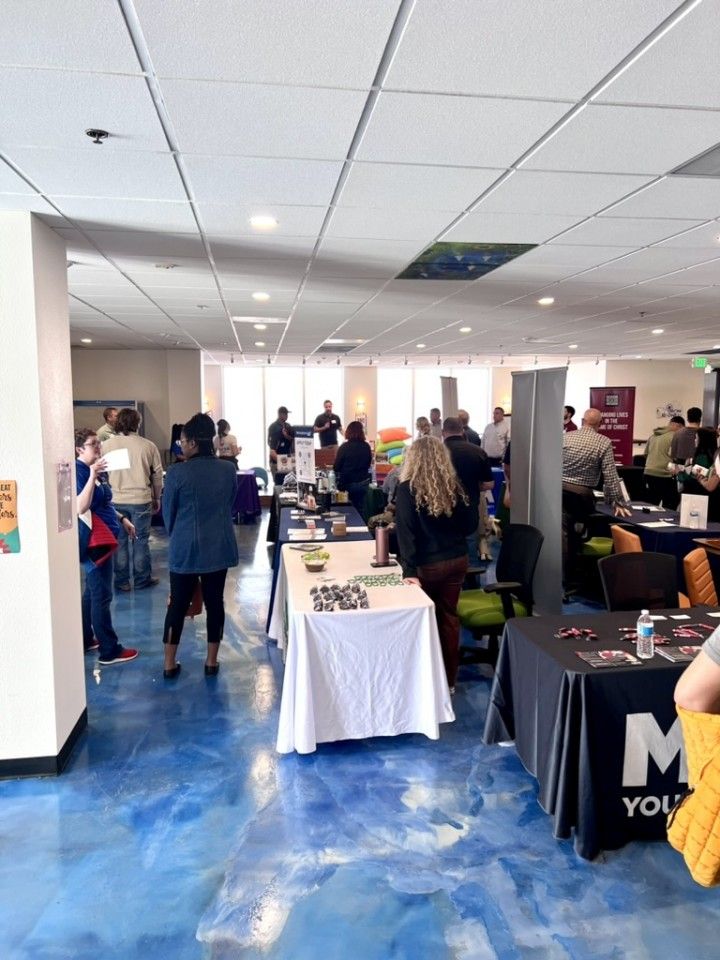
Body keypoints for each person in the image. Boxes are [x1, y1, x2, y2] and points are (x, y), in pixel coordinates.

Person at [395, 436, 476, 690]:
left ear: (413, 459)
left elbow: (405, 533)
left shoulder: (407, 488)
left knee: (422, 623)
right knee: (448, 620)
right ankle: (449, 682)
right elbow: (470, 526)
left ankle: (424, 686)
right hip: (457, 561)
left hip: (427, 566)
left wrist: (408, 570)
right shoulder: (455, 487)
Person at [161, 414, 239, 680]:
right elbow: (230, 502)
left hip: (185, 548)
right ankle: (211, 661)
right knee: (215, 602)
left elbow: (168, 513)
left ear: (193, 443)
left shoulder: (176, 473)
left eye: (182, 441)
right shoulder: (228, 469)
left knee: (178, 605)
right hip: (218, 546)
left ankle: (169, 664)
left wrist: (178, 534)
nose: (180, 445)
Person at [75, 428, 138, 665]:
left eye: (99, 444)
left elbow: (104, 503)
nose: (98, 448)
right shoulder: (81, 472)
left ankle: (85, 638)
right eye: (93, 444)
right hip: (93, 543)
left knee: (92, 593)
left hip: (105, 538)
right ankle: (109, 650)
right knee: (101, 595)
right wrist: (92, 475)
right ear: (79, 449)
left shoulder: (98, 471)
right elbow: (81, 506)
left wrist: (122, 519)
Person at [561, 408, 631, 590]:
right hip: (581, 497)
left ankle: (562, 575)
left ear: (583, 421)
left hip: (558, 492)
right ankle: (577, 575)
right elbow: (610, 474)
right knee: (577, 533)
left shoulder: (566, 437)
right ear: (600, 424)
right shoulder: (603, 442)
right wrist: (618, 501)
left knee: (562, 534)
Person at [102, 407, 163, 592]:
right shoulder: (148, 446)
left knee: (119, 541)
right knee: (141, 540)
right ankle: (142, 579)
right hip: (141, 500)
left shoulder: (107, 445)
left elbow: (101, 474)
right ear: (138, 423)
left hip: (115, 500)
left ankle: (122, 582)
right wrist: (157, 497)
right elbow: (158, 475)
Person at [443, 417, 494, 566]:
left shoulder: (437, 454)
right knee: (470, 555)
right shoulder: (478, 452)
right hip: (469, 511)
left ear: (443, 432)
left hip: (443, 513)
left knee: (446, 558)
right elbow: (489, 484)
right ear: (462, 430)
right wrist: (471, 485)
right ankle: (472, 585)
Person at [643, 416, 684, 509]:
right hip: (665, 475)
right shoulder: (675, 436)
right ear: (678, 426)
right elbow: (677, 457)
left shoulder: (653, 435)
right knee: (670, 505)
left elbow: (645, 454)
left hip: (648, 473)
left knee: (650, 506)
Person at [334, 421, 372, 515]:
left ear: (348, 432)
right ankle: (361, 528)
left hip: (347, 484)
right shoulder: (366, 446)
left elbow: (336, 467)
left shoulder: (344, 447)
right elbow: (368, 464)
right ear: (361, 432)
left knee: (346, 511)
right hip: (363, 483)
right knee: (360, 510)